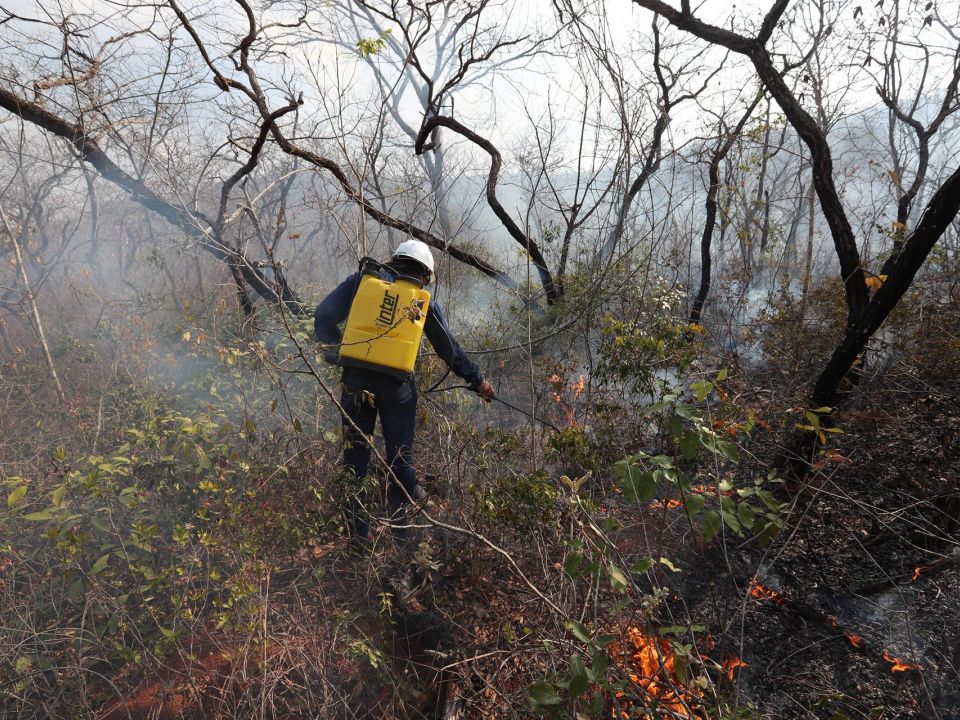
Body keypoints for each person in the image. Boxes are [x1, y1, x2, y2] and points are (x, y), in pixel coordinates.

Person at [314, 240, 495, 551]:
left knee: (355, 461)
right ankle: (401, 538)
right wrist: (477, 381)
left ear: (395, 261)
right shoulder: (422, 303)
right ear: (424, 274)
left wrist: (339, 348)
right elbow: (449, 351)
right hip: (396, 390)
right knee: (401, 460)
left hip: (356, 383)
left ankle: (358, 540)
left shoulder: (361, 282)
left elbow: (322, 316)